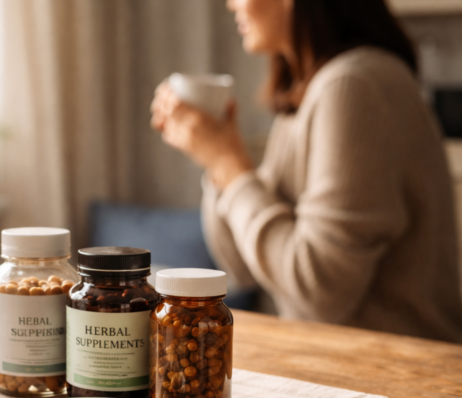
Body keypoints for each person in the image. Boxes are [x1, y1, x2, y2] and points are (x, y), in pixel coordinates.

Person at [151, 0, 462, 342]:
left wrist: (230, 164)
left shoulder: (354, 84)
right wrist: (218, 162)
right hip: (342, 364)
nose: (231, 4)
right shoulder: (310, 91)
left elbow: (320, 292)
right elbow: (242, 266)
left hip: (398, 375)